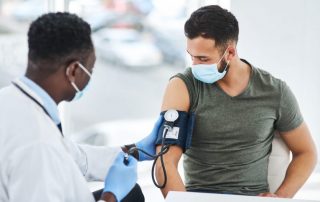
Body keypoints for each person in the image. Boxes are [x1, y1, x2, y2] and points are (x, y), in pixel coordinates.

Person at [155, 5, 317, 198]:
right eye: (192, 57)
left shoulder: (274, 91)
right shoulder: (183, 86)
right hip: (200, 198)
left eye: (203, 59)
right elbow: (164, 162)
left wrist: (280, 197)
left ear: (230, 53)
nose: (195, 66)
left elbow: (307, 153)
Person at [0, 12, 162, 202]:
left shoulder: (10, 100)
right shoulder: (39, 145)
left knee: (132, 193)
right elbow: (49, 154)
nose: (90, 76)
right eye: (90, 69)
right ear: (73, 71)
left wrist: (135, 151)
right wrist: (111, 196)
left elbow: (75, 157)